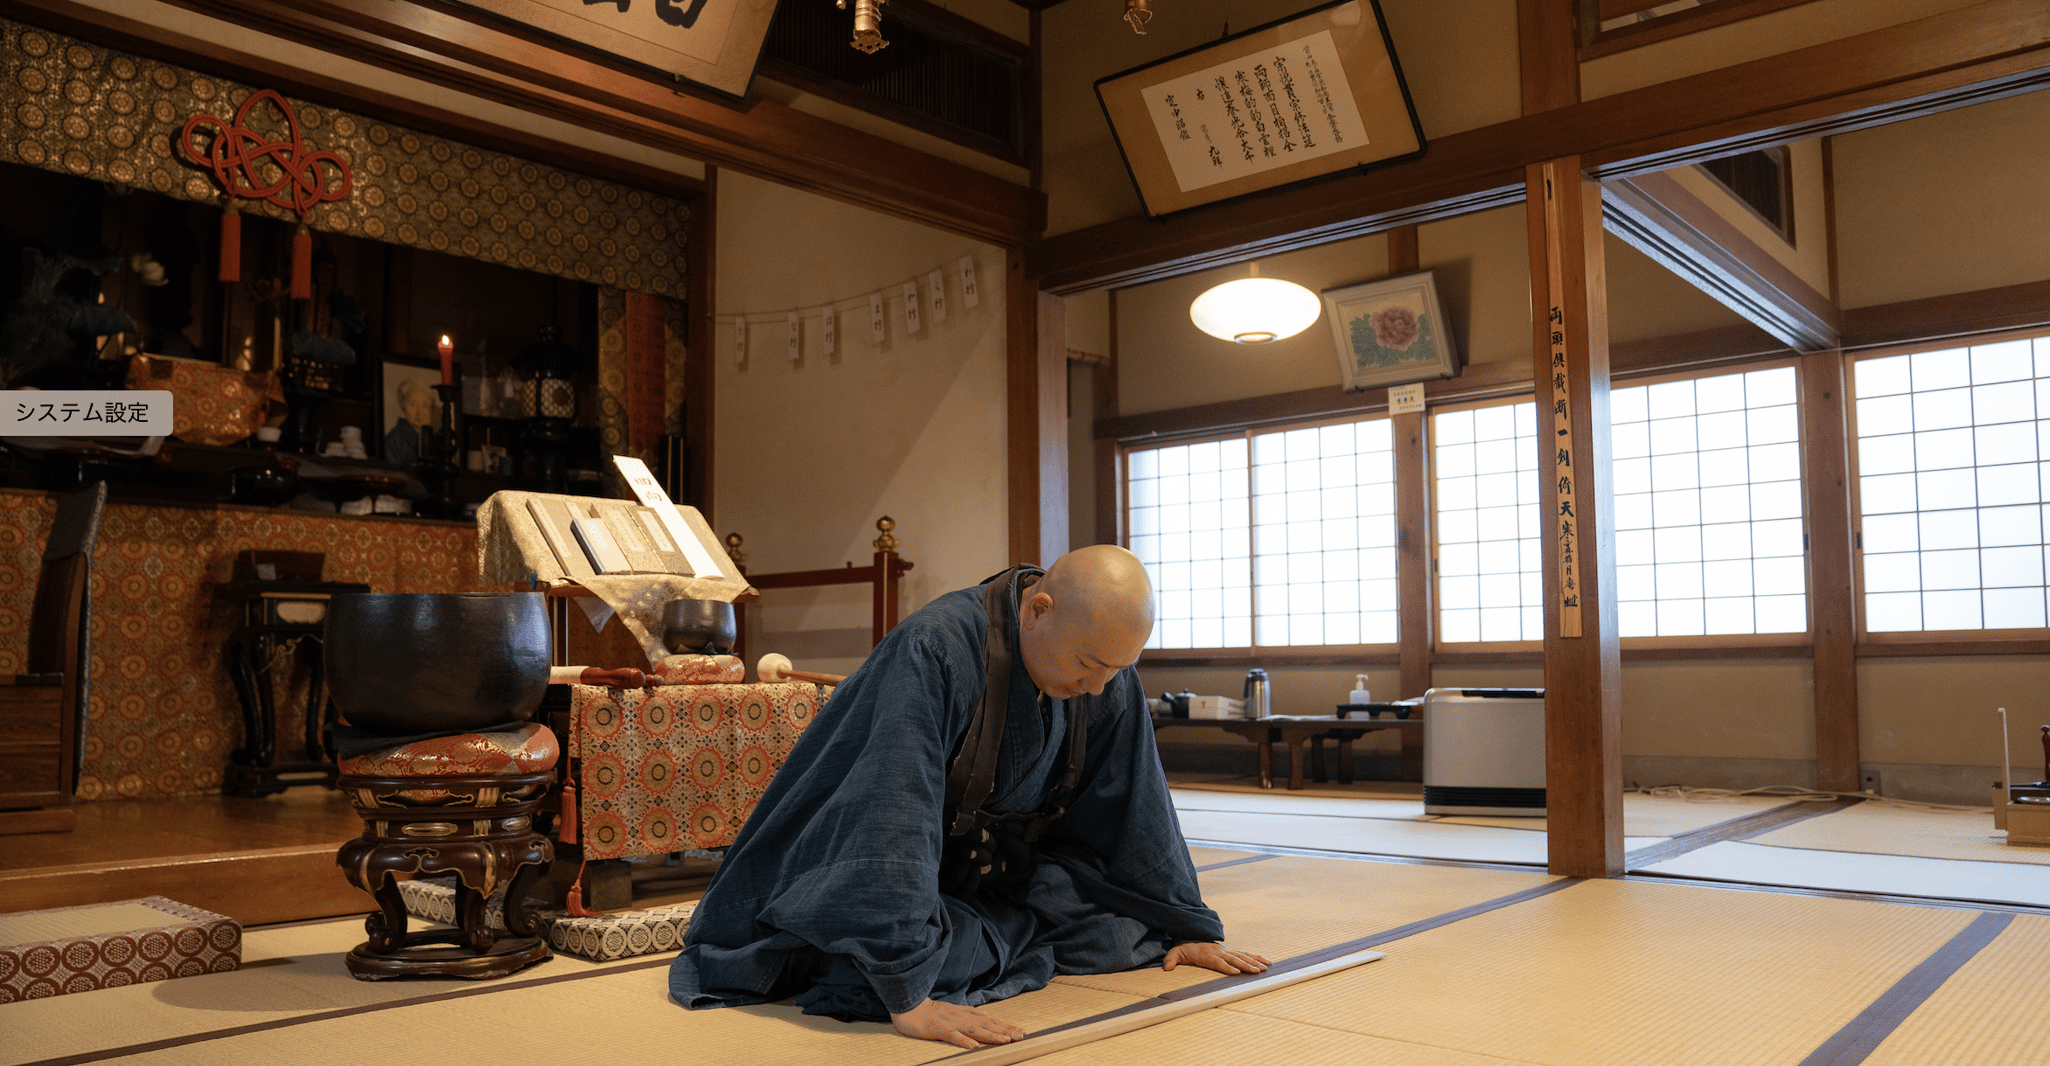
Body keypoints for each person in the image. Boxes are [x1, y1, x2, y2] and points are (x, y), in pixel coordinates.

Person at [671, 545, 1267, 1049]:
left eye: (1117, 669)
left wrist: (1179, 921)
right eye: (1090, 666)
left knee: (1123, 932)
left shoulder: (1103, 666)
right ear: (1040, 609)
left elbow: (1135, 803)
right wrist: (910, 996)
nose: (1098, 686)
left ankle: (953, 941)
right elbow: (890, 810)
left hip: (986, 872)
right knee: (886, 967)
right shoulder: (937, 649)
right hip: (866, 866)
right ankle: (890, 957)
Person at [383, 377, 435, 463]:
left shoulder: (436, 441)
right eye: (413, 405)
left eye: (425, 406)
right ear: (404, 407)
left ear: (432, 410)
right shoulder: (394, 439)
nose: (419, 412)